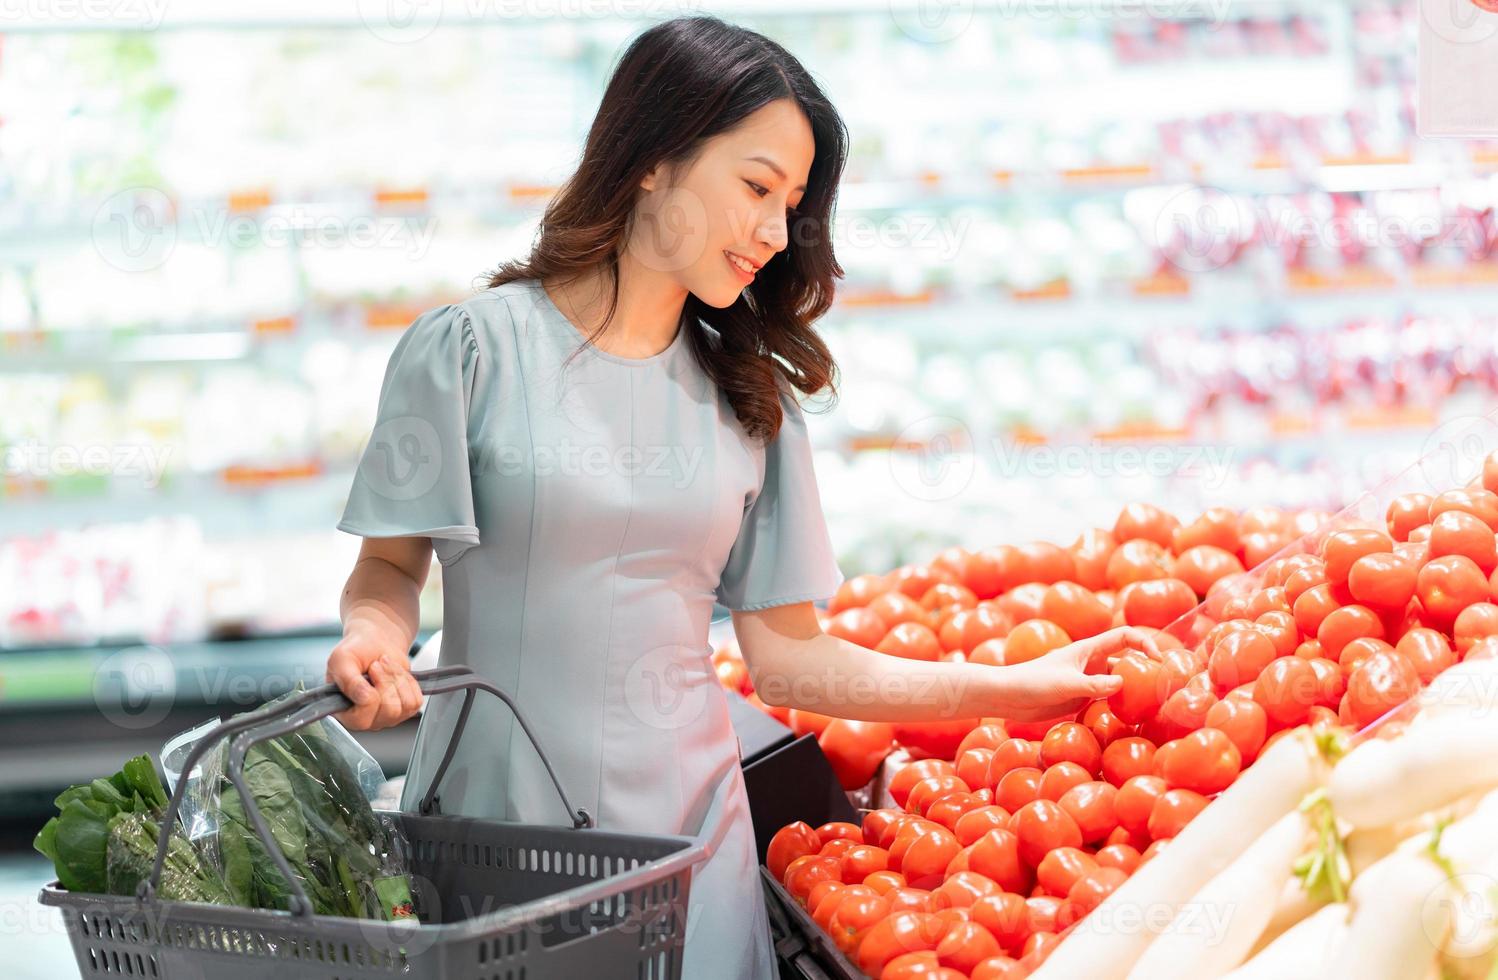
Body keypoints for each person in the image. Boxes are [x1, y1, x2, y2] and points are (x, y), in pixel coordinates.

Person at [327, 15, 1151, 979]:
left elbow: (794, 663)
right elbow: (390, 564)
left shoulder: (750, 402)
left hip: (692, 845)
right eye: (756, 187)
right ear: (651, 159)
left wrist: (1021, 690)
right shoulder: (468, 351)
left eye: (793, 203)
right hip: (489, 842)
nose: (774, 229)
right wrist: (374, 639)